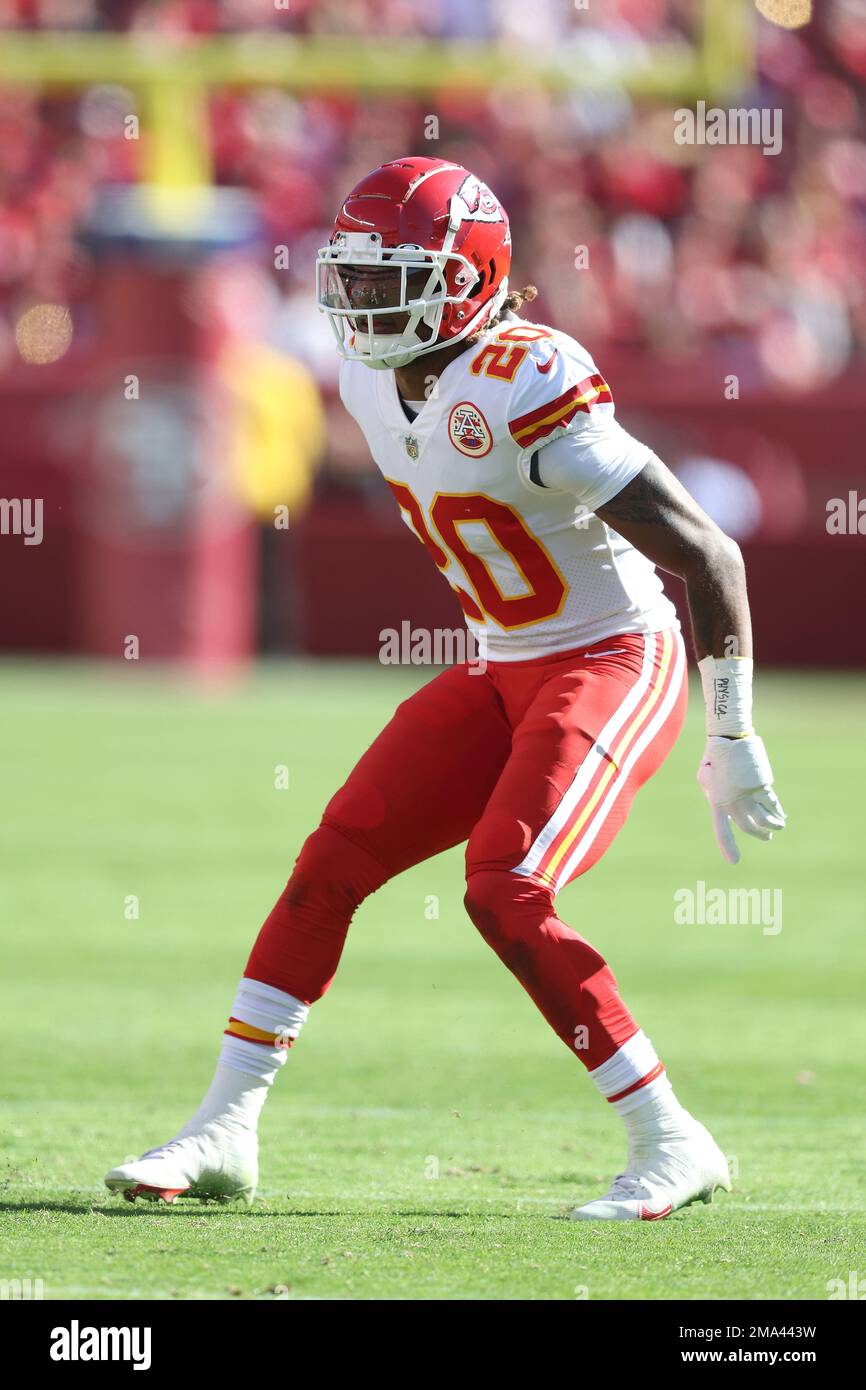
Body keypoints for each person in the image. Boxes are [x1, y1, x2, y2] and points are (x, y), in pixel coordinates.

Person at [106, 157, 786, 1221]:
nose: (362, 302)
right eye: (356, 277)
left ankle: (671, 1139)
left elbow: (708, 554)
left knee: (504, 883)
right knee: (332, 857)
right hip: (496, 661)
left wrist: (731, 731)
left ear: (468, 278)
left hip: (609, 653)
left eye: (391, 279)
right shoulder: (365, 370)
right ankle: (224, 1127)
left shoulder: (527, 380)